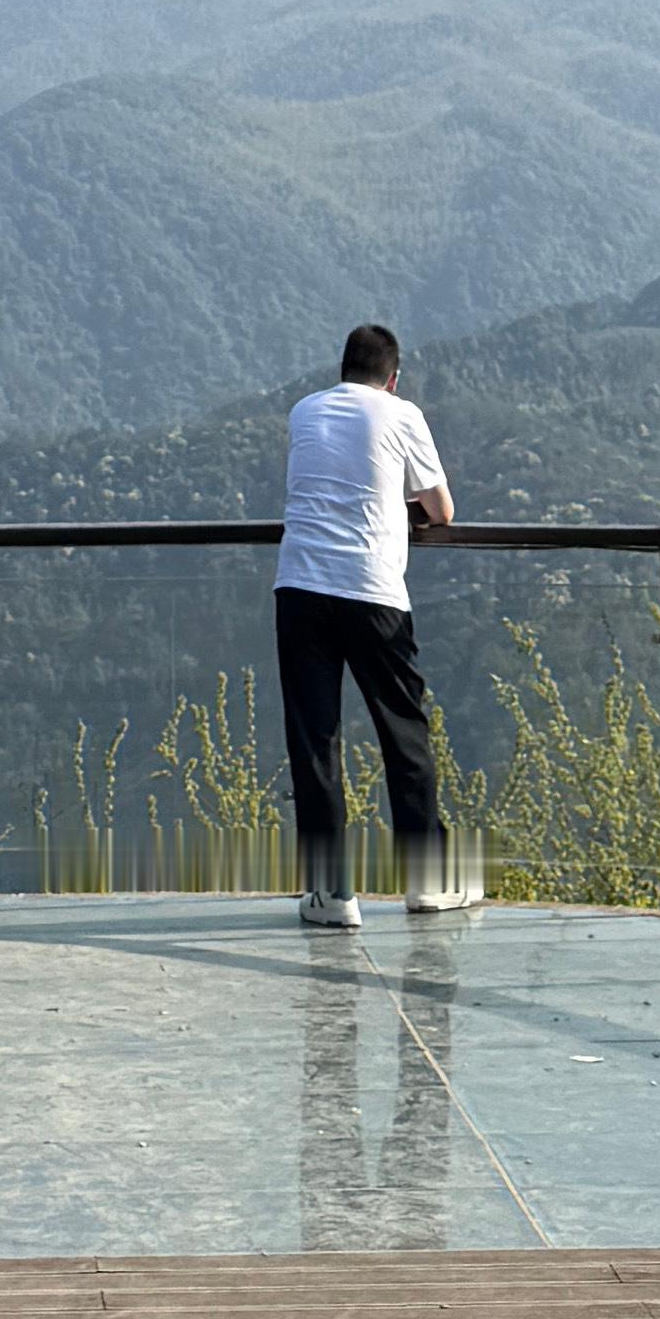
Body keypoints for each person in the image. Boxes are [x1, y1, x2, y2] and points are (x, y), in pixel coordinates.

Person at [274, 321, 457, 929]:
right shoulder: (403, 415)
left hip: (300, 585)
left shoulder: (304, 411)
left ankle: (332, 894)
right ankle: (427, 883)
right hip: (373, 589)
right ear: (393, 376)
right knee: (404, 731)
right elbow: (441, 509)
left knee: (315, 739)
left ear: (343, 367)